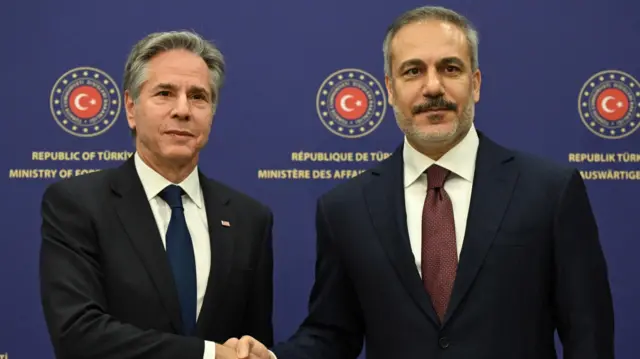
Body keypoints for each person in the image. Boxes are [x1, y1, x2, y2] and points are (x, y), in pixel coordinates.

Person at [227, 5, 615, 359]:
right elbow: (333, 332)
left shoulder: (549, 190)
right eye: (413, 71)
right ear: (390, 90)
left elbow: (589, 335)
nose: (433, 87)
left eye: (450, 68)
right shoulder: (345, 208)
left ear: (475, 83)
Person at [39, 30, 274, 359]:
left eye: (198, 97)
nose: (183, 110)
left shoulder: (250, 219)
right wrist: (208, 355)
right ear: (131, 108)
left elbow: (253, 335)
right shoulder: (77, 204)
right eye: (165, 93)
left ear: (212, 112)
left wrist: (252, 350)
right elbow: (78, 333)